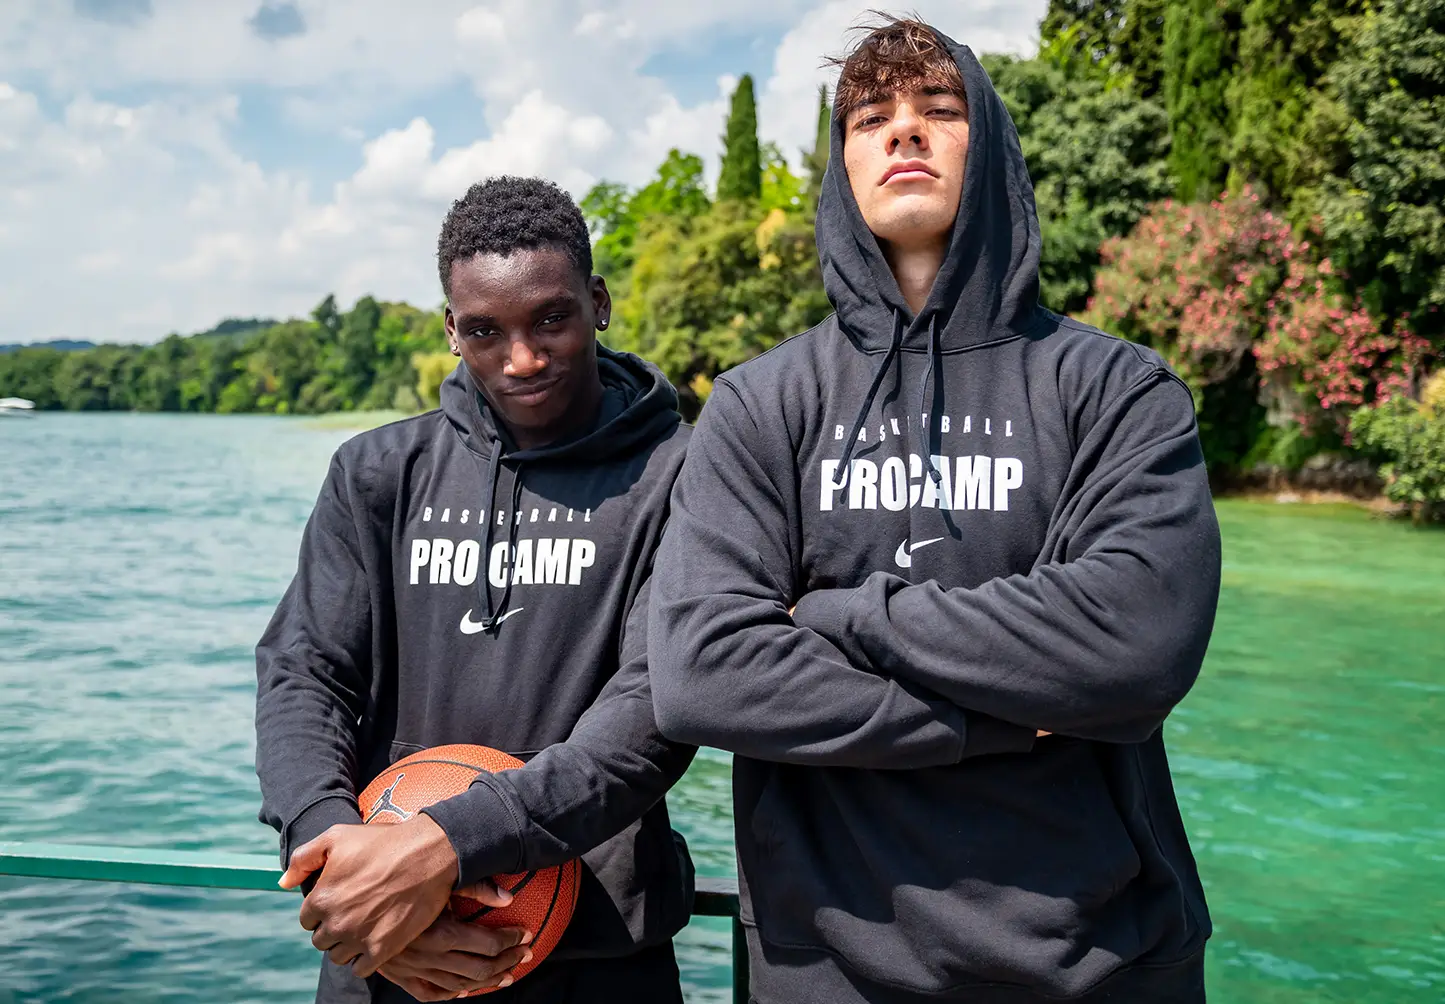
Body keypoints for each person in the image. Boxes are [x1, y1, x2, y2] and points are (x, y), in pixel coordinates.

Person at [649, 17, 1219, 1004]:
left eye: (938, 109)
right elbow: (702, 672)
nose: (903, 131)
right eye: (870, 117)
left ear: (987, 144)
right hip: (822, 962)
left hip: (1099, 957)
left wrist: (840, 615)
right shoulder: (759, 402)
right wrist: (992, 723)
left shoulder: (1117, 388)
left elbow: (1133, 642)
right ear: (841, 164)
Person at [255, 176, 696, 1003]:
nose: (521, 359)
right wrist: (340, 860)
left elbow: (655, 709)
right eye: (486, 331)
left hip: (597, 953)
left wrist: (444, 846)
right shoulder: (376, 471)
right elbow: (304, 675)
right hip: (387, 946)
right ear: (451, 332)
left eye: (551, 319)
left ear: (598, 304)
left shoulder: (681, 474)